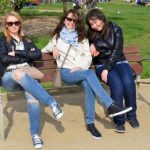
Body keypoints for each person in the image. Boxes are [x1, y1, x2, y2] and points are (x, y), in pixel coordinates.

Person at [42, 9, 132, 139]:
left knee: (88, 85)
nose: (71, 22)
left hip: (81, 71)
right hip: (67, 72)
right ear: (64, 20)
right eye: (69, 19)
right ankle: (110, 105)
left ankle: (90, 124)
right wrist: (54, 47)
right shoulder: (57, 38)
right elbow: (42, 50)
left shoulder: (82, 38)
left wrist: (81, 66)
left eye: (75, 20)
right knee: (90, 74)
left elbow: (88, 57)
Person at [0, 11, 63, 149]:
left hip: (26, 77)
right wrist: (27, 57)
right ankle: (51, 102)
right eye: (10, 23)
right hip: (9, 78)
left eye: (16, 22)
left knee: (33, 98)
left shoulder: (27, 40)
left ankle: (35, 134)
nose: (14, 26)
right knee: (17, 72)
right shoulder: (2, 40)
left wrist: (17, 53)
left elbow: (38, 54)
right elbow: (4, 58)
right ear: (6, 25)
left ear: (20, 23)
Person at [86, 8, 140, 133]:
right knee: (117, 84)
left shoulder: (116, 29)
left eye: (96, 22)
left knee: (128, 83)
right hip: (101, 65)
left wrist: (106, 67)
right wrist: (92, 45)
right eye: (91, 24)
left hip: (119, 61)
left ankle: (132, 116)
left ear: (102, 18)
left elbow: (117, 51)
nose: (94, 26)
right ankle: (119, 120)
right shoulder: (91, 34)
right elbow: (87, 50)